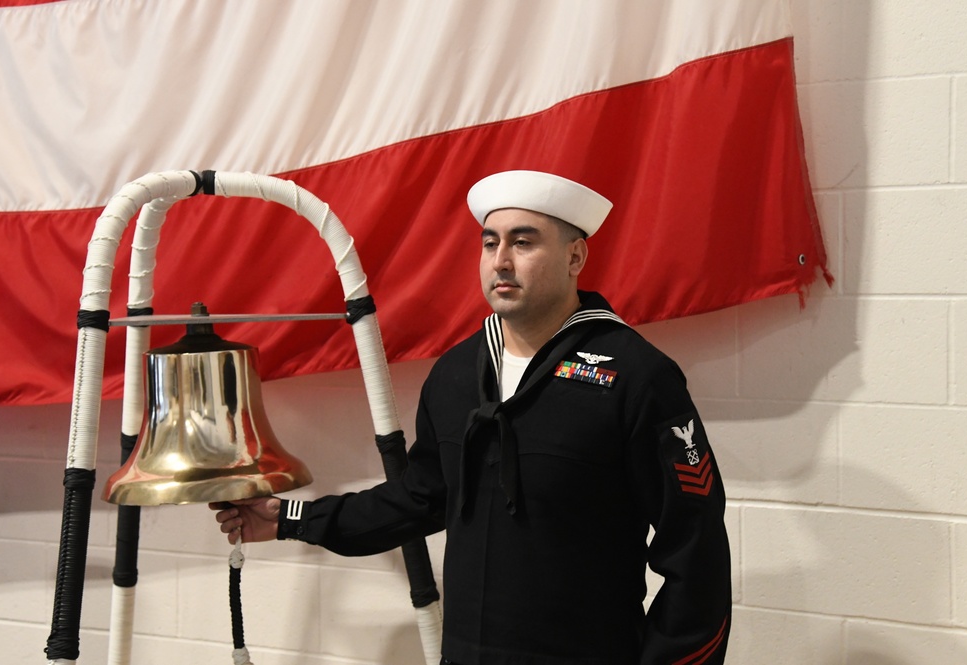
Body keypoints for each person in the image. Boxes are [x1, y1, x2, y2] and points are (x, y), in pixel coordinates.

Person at [213, 170, 732, 664]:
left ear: (576, 257)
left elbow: (696, 554)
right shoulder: (458, 373)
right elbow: (417, 500)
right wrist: (288, 519)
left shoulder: (636, 375)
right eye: (490, 243)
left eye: (524, 242)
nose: (501, 261)